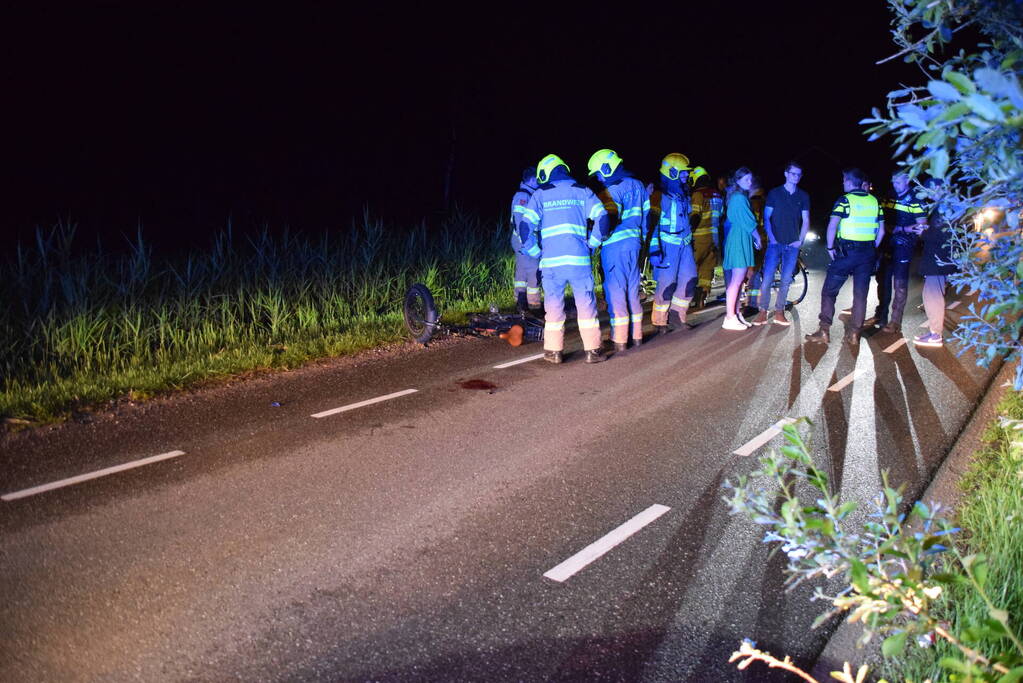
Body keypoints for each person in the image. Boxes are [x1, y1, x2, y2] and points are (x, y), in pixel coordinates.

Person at [518, 154, 610, 364]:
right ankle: (593, 351)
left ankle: (553, 352)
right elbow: (603, 218)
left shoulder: (540, 194)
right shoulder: (582, 191)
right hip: (579, 261)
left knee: (554, 308)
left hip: (551, 263)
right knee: (586, 306)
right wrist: (592, 243)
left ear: (545, 173)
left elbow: (525, 227)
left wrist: (535, 252)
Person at [805, 168, 885, 346]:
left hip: (847, 253)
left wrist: (831, 246)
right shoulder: (874, 201)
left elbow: (833, 225)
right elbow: (882, 231)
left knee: (829, 292)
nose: (842, 183)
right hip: (867, 253)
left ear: (849, 182)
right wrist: (871, 248)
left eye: (844, 180)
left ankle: (824, 330)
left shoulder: (845, 200)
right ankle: (855, 333)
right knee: (860, 295)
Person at [587, 149, 648, 351]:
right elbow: (647, 218)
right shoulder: (638, 185)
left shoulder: (610, 191)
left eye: (598, 173)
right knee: (632, 291)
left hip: (615, 247)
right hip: (635, 245)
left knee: (615, 293)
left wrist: (594, 241)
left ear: (606, 168)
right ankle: (637, 335)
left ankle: (619, 340)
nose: (598, 178)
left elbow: (608, 220)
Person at [752, 162, 810, 325]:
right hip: (775, 244)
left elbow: (806, 220)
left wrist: (800, 240)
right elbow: (767, 217)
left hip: (792, 244)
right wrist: (772, 237)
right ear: (786, 174)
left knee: (786, 279)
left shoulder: (803, 196)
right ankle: (763, 311)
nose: (796, 177)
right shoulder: (775, 193)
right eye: (793, 174)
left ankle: (779, 312)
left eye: (799, 174)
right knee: (768, 278)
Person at [870, 172, 928, 334]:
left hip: (904, 247)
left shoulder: (916, 199)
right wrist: (901, 229)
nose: (895, 184)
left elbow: (922, 227)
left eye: (898, 181)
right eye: (893, 181)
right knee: (883, 282)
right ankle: (880, 316)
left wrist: (901, 229)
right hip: (886, 245)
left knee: (900, 285)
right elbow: (880, 220)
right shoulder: (889, 196)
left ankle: (896, 321)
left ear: (907, 180)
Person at [647, 153, 698, 331]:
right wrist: (654, 249)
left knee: (690, 280)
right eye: (683, 172)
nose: (686, 176)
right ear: (672, 172)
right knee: (667, 285)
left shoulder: (683, 194)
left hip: (685, 245)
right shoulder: (659, 197)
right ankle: (659, 321)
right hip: (667, 247)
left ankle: (677, 317)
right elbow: (652, 224)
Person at [915, 179, 955, 347]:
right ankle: (933, 332)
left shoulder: (945, 208)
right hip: (938, 259)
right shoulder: (945, 206)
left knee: (933, 297)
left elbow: (942, 235)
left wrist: (923, 232)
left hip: (938, 261)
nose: (930, 192)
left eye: (931, 189)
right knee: (929, 296)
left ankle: (936, 336)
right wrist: (926, 230)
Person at [721, 167, 761, 330]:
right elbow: (748, 221)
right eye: (746, 180)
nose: (750, 183)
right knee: (736, 281)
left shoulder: (737, 197)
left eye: (750, 180)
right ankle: (730, 317)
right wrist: (757, 237)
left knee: (739, 281)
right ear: (737, 181)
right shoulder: (738, 198)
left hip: (740, 238)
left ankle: (736, 314)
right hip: (739, 239)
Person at [688, 166, 723, 309]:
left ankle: (690, 298)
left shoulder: (697, 194)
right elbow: (721, 215)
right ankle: (703, 297)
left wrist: (689, 233)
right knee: (707, 269)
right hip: (714, 238)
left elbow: (695, 216)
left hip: (699, 237)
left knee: (691, 268)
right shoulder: (717, 195)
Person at [510, 167, 541, 311]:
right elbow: (519, 221)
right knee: (534, 271)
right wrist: (525, 243)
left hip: (522, 239)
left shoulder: (526, 194)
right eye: (538, 179)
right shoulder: (524, 196)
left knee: (522, 272)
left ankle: (521, 303)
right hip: (525, 240)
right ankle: (534, 306)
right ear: (532, 179)